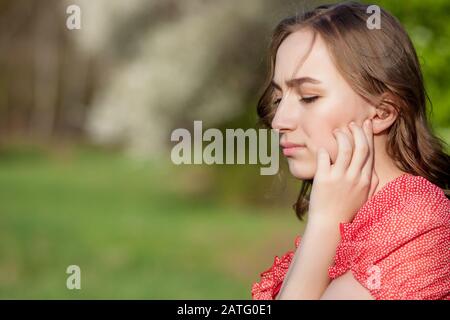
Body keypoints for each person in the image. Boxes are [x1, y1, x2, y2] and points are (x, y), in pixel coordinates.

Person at [251, 1, 450, 300]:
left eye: (308, 97)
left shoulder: (420, 224)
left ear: (383, 111)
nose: (279, 121)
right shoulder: (360, 217)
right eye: (279, 99)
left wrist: (326, 223)